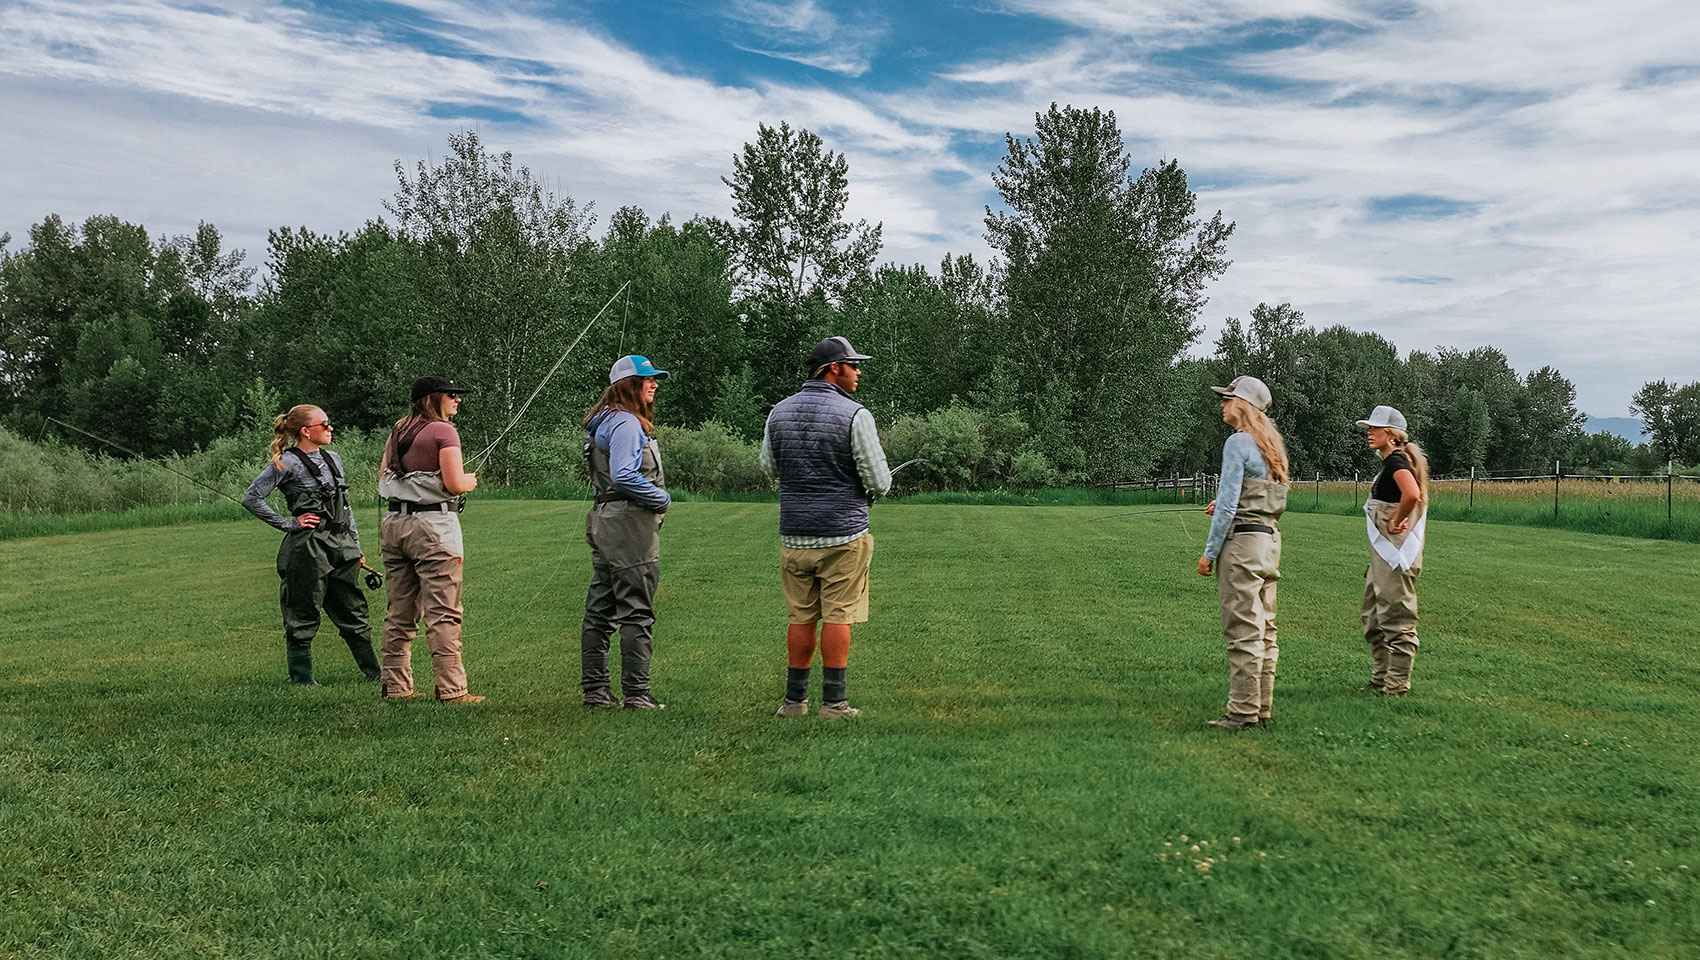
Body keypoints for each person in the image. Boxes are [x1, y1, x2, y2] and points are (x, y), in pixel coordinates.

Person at [761, 336, 892, 718]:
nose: (858, 371)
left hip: (794, 536)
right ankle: (834, 704)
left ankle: (793, 703)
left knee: (800, 618)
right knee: (839, 615)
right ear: (834, 368)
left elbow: (769, 468)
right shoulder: (856, 415)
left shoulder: (778, 412)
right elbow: (880, 481)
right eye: (853, 365)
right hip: (844, 535)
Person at [242, 404, 380, 686]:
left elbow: (346, 507)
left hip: (342, 545)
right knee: (302, 611)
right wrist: (289, 524)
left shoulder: (334, 459)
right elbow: (251, 498)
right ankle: (302, 680)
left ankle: (376, 674)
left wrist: (355, 546)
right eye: (325, 424)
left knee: (353, 609)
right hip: (308, 548)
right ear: (305, 431)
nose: (330, 429)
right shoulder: (286, 463)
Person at [377, 375, 482, 703]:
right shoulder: (444, 431)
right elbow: (453, 483)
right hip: (433, 528)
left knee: (400, 610)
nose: (458, 399)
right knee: (444, 611)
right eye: (452, 394)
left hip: (394, 524)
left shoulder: (398, 429)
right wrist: (470, 481)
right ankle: (452, 691)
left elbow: (383, 476)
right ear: (433, 398)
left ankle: (395, 687)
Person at [1197, 376, 1290, 731]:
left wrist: (1209, 553)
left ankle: (1241, 712)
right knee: (1265, 628)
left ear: (1243, 405)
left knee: (1242, 629)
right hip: (1269, 543)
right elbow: (1256, 499)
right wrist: (1225, 502)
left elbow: (1228, 511)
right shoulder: (1272, 445)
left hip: (1242, 547)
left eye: (1227, 399)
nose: (1222, 404)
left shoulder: (1238, 443)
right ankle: (1261, 707)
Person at [580, 355, 671, 710]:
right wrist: (661, 498)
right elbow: (624, 475)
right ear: (627, 386)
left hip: (605, 519)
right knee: (636, 610)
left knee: (600, 610)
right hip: (629, 524)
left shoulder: (603, 421)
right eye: (646, 379)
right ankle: (637, 694)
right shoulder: (626, 424)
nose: (654, 383)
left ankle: (596, 692)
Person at [1357, 405, 1430, 696]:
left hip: (1396, 558)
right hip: (1383, 559)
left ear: (1391, 435)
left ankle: (1397, 684)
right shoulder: (1392, 462)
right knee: (1372, 615)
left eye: (1375, 429)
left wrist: (1398, 519)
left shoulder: (1396, 463)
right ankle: (1381, 676)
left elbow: (1412, 494)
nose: (1369, 433)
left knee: (1397, 617)